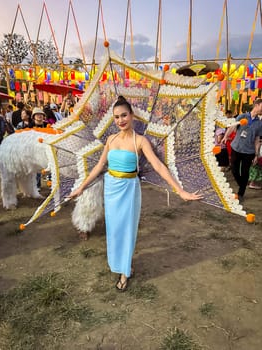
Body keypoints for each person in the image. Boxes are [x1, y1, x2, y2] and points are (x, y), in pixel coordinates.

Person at [69, 95, 203, 292]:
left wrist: (180, 190)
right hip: (111, 189)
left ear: (132, 116)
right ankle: (119, 263)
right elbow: (99, 166)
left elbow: (158, 165)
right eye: (116, 117)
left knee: (127, 230)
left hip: (129, 190)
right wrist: (82, 187)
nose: (121, 120)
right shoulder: (110, 139)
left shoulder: (140, 141)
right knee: (114, 230)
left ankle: (125, 272)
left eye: (124, 115)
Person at [222, 98, 262, 200]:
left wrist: (257, 154)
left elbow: (257, 139)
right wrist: (226, 136)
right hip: (237, 147)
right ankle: (242, 184)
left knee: (245, 172)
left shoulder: (259, 123)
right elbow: (232, 126)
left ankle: (241, 193)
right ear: (256, 105)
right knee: (234, 169)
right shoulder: (243, 116)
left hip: (249, 151)